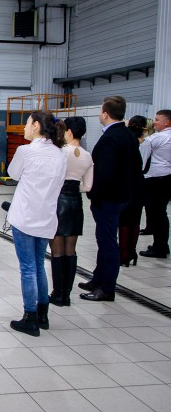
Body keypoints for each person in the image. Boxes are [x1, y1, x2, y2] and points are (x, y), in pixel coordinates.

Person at [7, 111, 67, 336]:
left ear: (36, 126)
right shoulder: (60, 154)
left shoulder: (25, 151)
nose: (24, 127)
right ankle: (43, 314)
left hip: (25, 217)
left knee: (28, 268)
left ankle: (29, 317)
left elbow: (13, 174)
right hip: (46, 218)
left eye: (27, 123)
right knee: (39, 265)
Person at [79, 96, 142, 302]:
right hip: (121, 196)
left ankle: (107, 288)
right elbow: (137, 166)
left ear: (105, 114)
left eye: (100, 111)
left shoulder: (111, 137)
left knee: (107, 243)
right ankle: (98, 278)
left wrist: (93, 195)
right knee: (104, 239)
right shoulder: (127, 134)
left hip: (108, 198)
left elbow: (104, 173)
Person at [49, 117, 93, 307]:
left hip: (59, 201)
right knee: (70, 250)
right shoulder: (87, 156)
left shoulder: (59, 152)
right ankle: (66, 294)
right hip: (76, 202)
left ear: (69, 132)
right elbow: (88, 186)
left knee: (56, 250)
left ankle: (58, 294)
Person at [139, 109, 171, 258]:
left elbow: (142, 156)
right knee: (161, 214)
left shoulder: (157, 137)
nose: (154, 122)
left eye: (157, 120)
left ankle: (159, 248)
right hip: (167, 177)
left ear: (167, 122)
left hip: (156, 179)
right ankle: (162, 244)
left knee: (156, 214)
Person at [118, 115, 148, 266]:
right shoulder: (145, 142)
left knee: (124, 219)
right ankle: (131, 252)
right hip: (139, 183)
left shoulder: (127, 141)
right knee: (135, 220)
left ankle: (123, 254)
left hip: (127, 182)